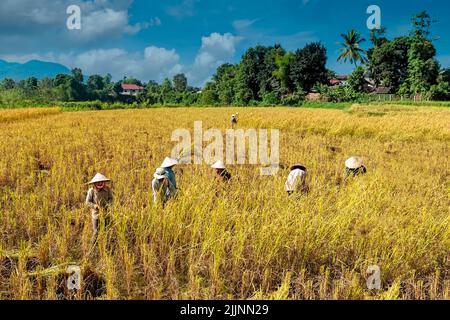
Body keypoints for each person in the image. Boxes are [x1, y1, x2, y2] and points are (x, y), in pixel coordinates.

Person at [85, 173, 113, 238]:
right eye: (98, 182)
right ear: (94, 183)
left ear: (104, 182)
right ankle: (92, 247)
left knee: (106, 231)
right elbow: (87, 202)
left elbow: (111, 199)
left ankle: (105, 245)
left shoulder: (108, 189)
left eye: (101, 182)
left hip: (106, 213)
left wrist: (108, 205)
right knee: (96, 232)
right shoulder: (91, 191)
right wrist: (95, 206)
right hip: (96, 214)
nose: (100, 183)